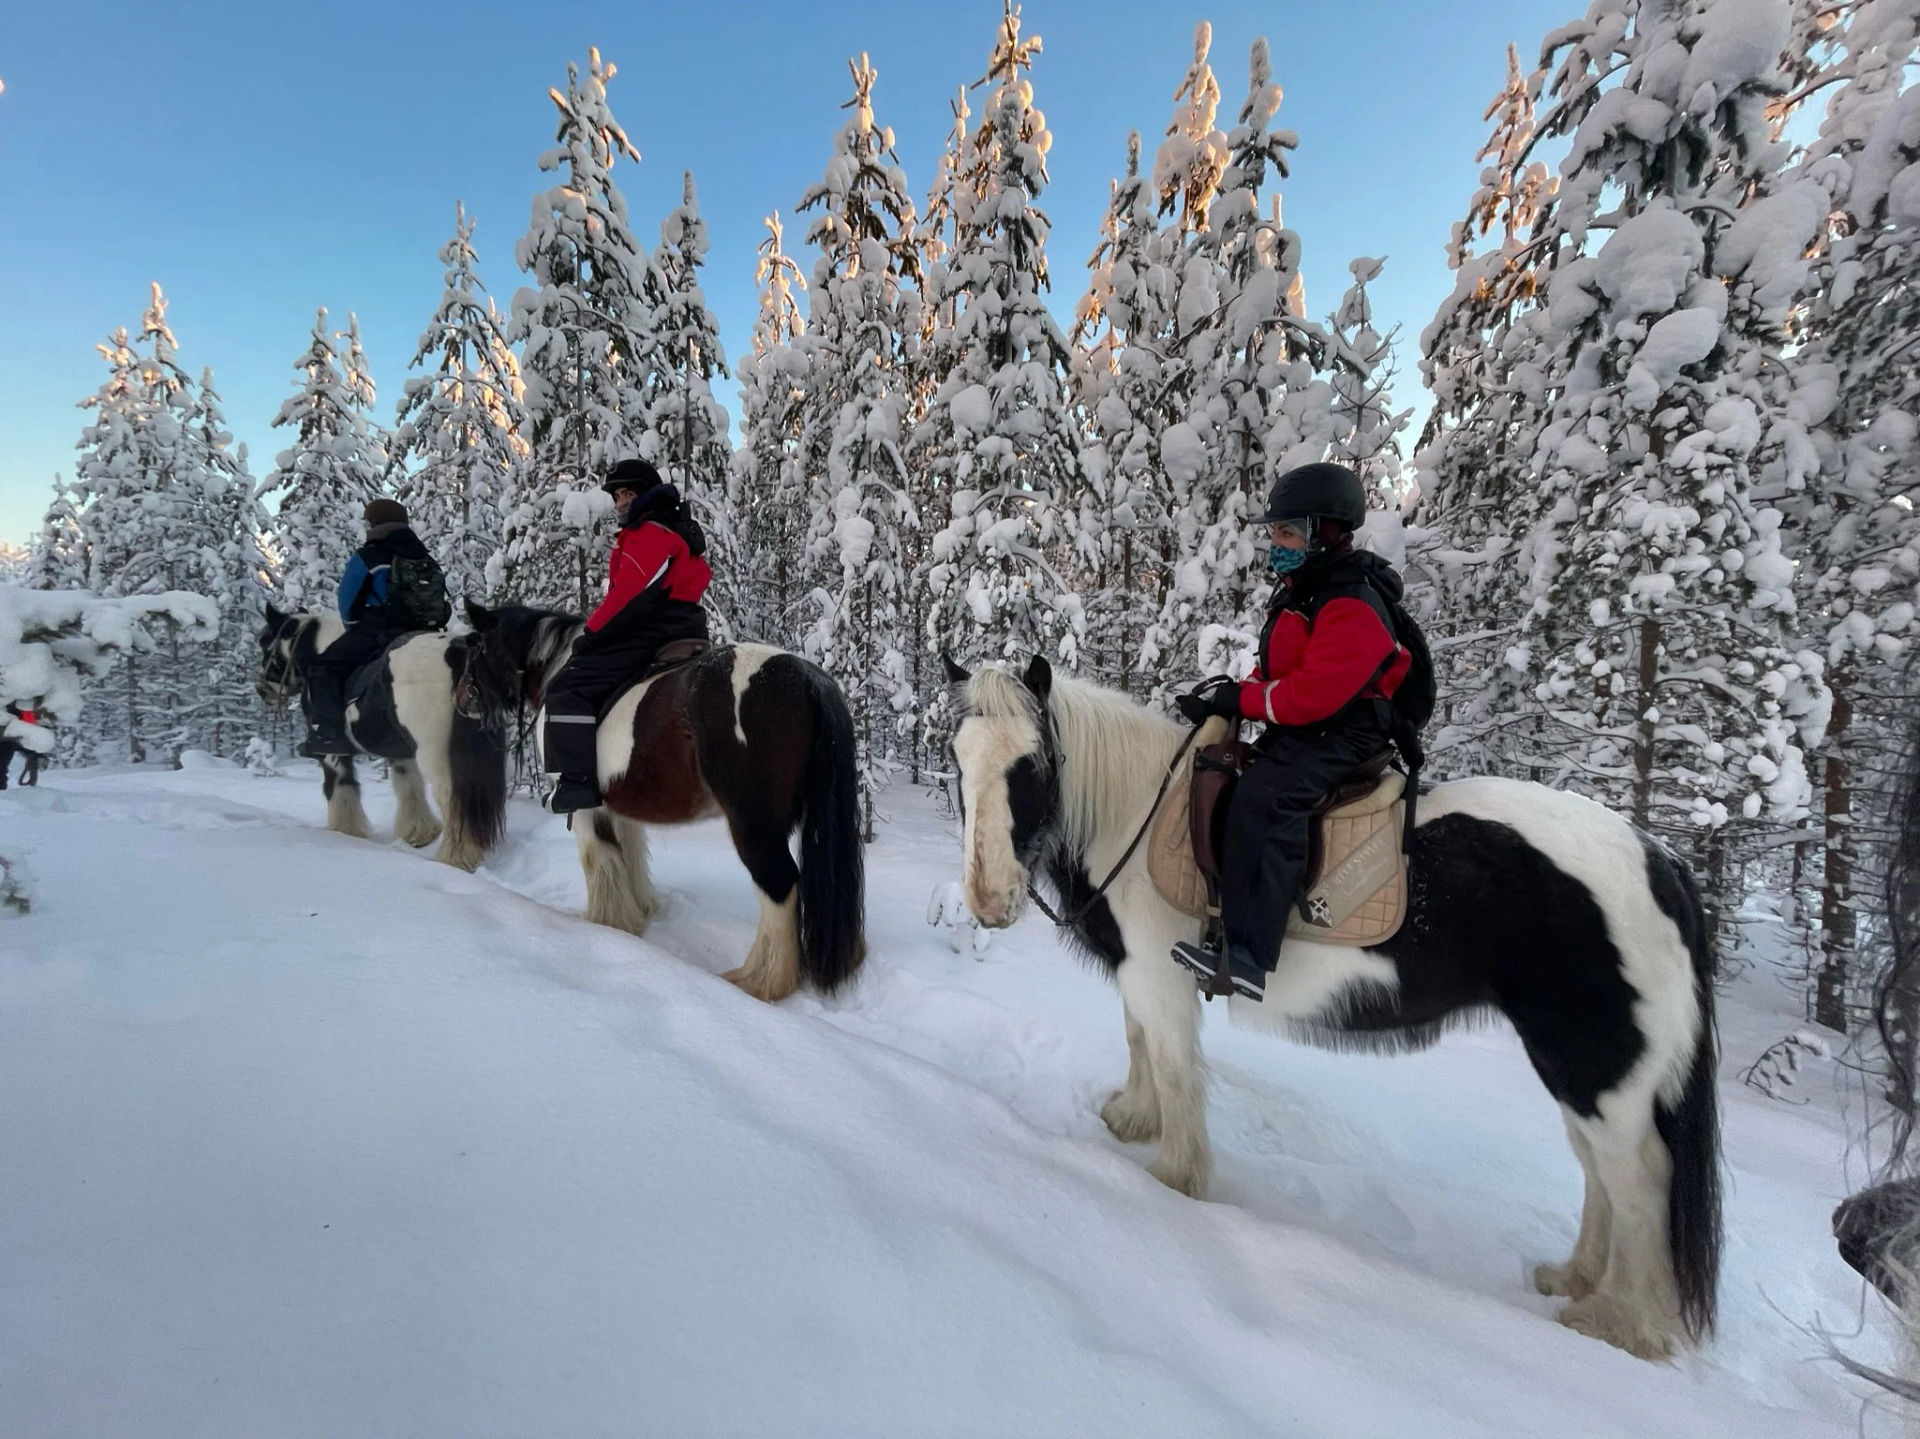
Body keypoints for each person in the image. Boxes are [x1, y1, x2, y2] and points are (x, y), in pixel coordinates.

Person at [1169, 462, 1417, 1000]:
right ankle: (1224, 923)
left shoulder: (1351, 599)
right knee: (1236, 780)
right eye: (1274, 532)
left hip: (1347, 731)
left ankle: (1249, 956)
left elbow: (1312, 695)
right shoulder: (1306, 588)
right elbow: (1279, 672)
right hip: (1317, 728)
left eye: (1286, 532)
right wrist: (1227, 700)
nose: (1274, 543)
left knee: (1270, 799)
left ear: (1325, 533)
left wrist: (1250, 700)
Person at [542, 458, 712, 814]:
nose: (621, 502)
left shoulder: (649, 533)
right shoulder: (671, 529)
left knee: (567, 688)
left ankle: (577, 782)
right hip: (678, 626)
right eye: (617, 495)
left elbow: (629, 595)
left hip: (650, 632)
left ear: (647, 494)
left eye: (628, 493)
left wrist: (590, 634)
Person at [300, 498, 446, 758]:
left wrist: (356, 629)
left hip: (379, 632)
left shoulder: (369, 556)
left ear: (376, 524)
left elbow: (348, 600)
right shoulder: (425, 558)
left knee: (322, 667)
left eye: (369, 523)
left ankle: (328, 734)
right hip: (426, 634)